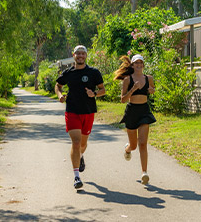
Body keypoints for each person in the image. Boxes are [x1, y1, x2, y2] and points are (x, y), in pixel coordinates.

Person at [55, 45, 106, 190]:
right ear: (74, 55)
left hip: (88, 111)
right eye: (78, 53)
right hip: (72, 111)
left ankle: (81, 155)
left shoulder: (94, 72)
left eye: (83, 53)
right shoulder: (68, 73)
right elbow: (58, 85)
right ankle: (76, 177)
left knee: (83, 144)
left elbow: (103, 90)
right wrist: (60, 96)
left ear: (86, 56)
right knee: (76, 142)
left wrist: (94, 94)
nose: (81, 56)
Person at [114, 54, 156, 185]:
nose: (139, 65)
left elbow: (153, 90)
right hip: (132, 111)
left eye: (141, 63)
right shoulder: (127, 79)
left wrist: (152, 90)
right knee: (133, 145)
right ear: (132, 65)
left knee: (143, 143)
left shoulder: (149, 78)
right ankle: (127, 149)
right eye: (136, 63)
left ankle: (144, 173)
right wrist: (133, 89)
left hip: (144, 111)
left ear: (143, 65)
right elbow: (123, 100)